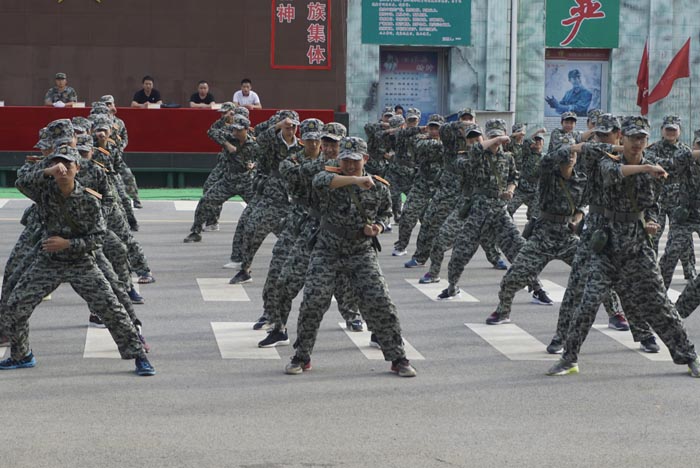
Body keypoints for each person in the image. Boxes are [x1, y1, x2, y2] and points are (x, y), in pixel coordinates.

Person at [547, 116, 700, 378]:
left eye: (642, 138)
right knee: (588, 302)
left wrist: (652, 220)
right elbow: (613, 174)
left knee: (659, 305)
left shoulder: (652, 171)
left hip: (636, 247)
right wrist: (646, 168)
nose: (637, 143)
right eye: (632, 138)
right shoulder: (609, 161)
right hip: (605, 247)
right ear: (623, 139)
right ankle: (568, 358)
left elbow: (653, 205)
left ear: (646, 141)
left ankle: (688, 356)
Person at [0, 142, 155, 376]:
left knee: (112, 309)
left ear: (78, 168)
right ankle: (22, 355)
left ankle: (138, 356)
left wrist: (69, 244)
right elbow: (21, 183)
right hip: (49, 262)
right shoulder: (45, 192)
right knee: (15, 306)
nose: (62, 168)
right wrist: (47, 171)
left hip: (81, 263)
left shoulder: (89, 200)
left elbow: (98, 238)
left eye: (68, 164)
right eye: (57, 164)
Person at [285, 137, 416, 377]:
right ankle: (301, 356)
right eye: (345, 160)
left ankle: (398, 358)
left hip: (360, 251)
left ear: (365, 159)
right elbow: (321, 181)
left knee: (380, 301)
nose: (349, 164)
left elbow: (385, 214)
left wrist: (376, 227)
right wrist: (356, 180)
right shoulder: (328, 178)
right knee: (313, 302)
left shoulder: (379, 187)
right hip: (327, 250)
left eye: (355, 161)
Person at [485, 135, 587, 326]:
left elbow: (584, 203)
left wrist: (577, 217)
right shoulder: (548, 173)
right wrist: (572, 147)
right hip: (543, 236)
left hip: (567, 236)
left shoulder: (581, 179)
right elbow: (548, 160)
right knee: (512, 278)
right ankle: (503, 311)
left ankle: (615, 313)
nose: (571, 156)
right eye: (567, 152)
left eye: (574, 153)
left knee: (596, 273)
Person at [183, 115, 257, 243]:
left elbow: (264, 160)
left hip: (246, 181)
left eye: (239, 130)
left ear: (246, 129)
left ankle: (282, 237)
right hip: (228, 180)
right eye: (234, 129)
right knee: (205, 201)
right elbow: (211, 132)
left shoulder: (254, 144)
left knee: (261, 209)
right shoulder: (230, 137)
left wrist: (254, 165)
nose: (236, 132)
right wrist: (226, 143)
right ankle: (196, 232)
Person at [647, 115, 696, 281]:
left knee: (682, 237)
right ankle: (650, 270)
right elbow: (656, 166)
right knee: (653, 234)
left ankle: (690, 272)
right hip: (658, 197)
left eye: (673, 130)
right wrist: (674, 164)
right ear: (662, 130)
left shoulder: (686, 149)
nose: (670, 133)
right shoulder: (653, 149)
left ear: (679, 131)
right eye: (668, 129)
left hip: (679, 199)